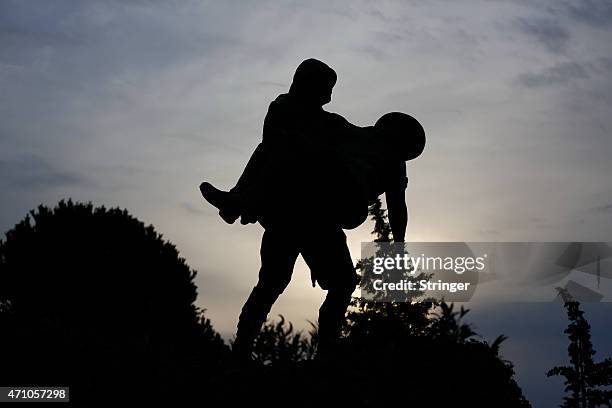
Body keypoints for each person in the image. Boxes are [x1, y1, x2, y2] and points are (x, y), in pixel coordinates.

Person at [199, 59, 425, 359]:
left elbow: (398, 208)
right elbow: (287, 128)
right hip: (299, 209)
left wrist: (398, 246)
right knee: (278, 281)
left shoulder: (387, 161)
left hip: (317, 214)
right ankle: (250, 348)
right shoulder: (347, 131)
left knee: (305, 282)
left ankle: (320, 349)